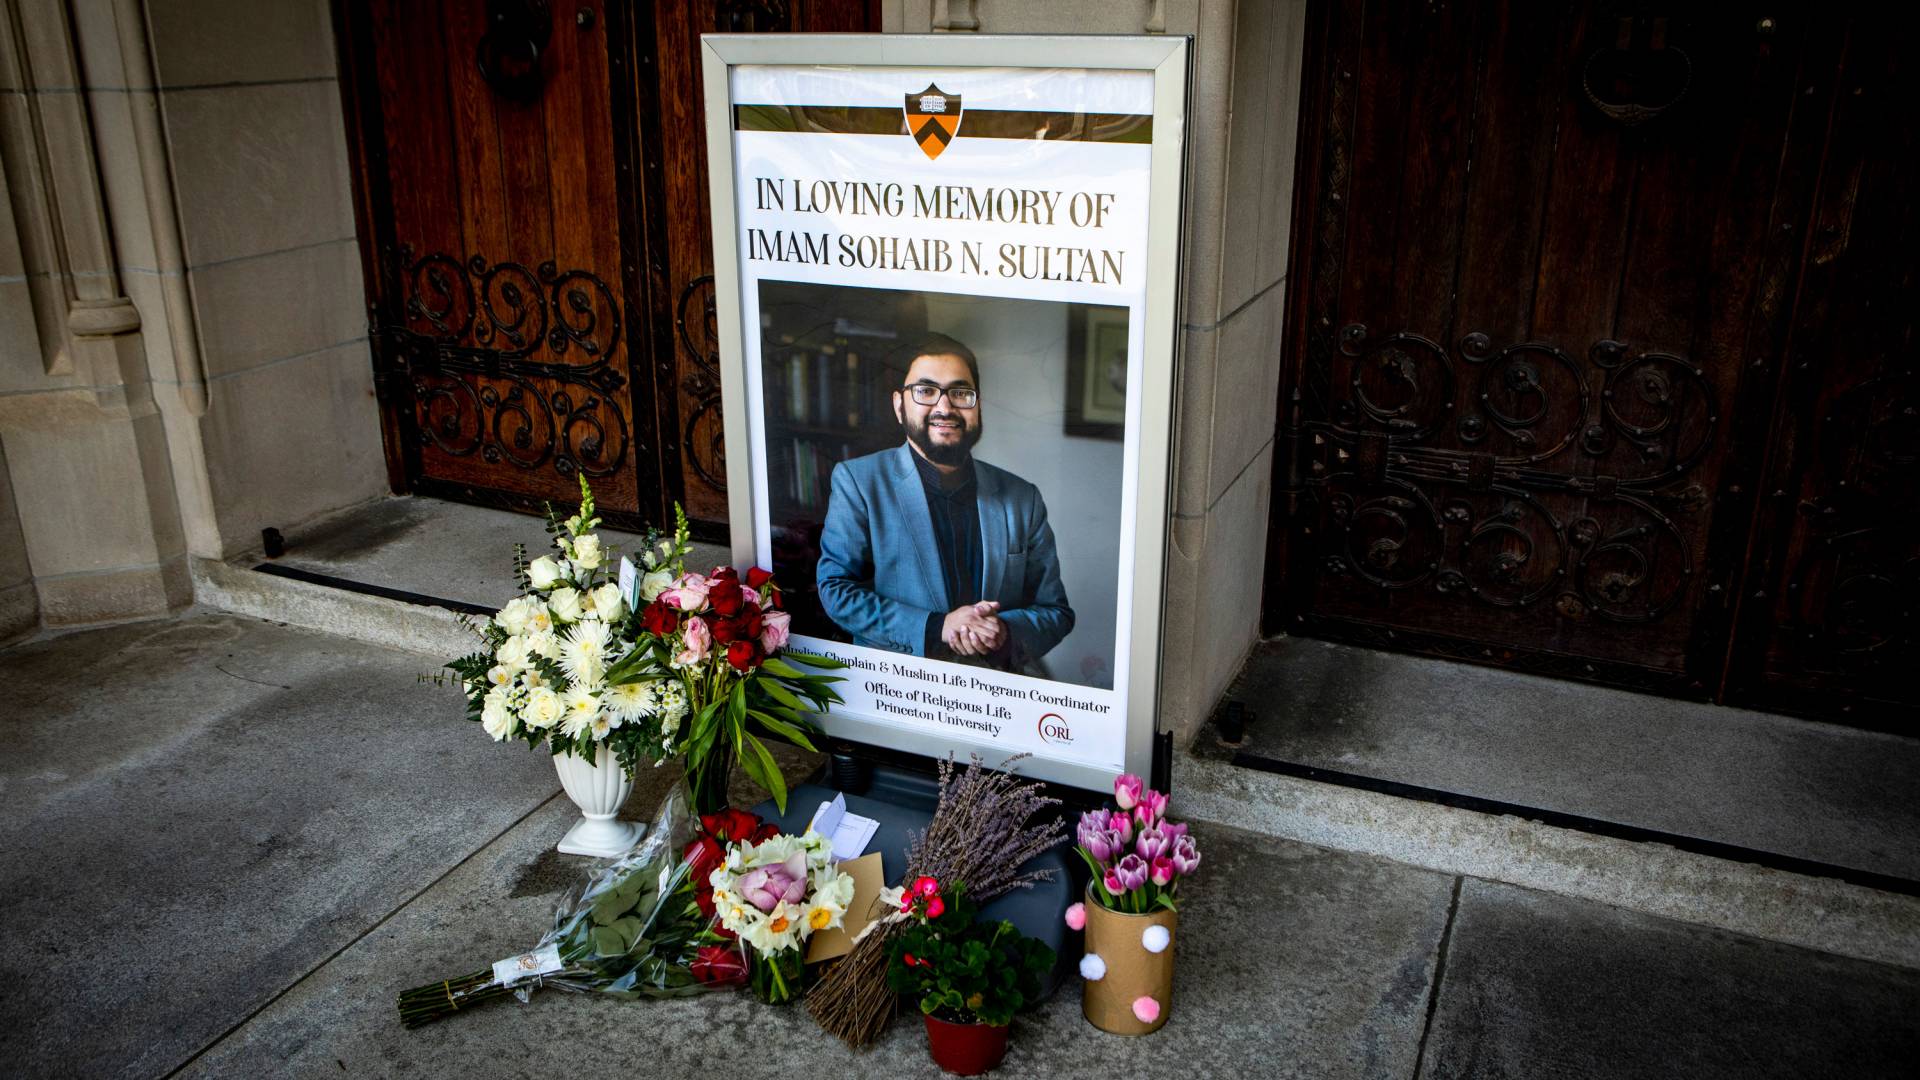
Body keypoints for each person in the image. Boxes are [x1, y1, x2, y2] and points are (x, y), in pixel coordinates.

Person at [816, 332, 1074, 673]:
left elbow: (1055, 612)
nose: (944, 407)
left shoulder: (1022, 497)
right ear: (898, 405)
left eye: (960, 392)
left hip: (997, 693)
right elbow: (837, 591)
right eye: (925, 391)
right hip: (896, 690)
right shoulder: (859, 482)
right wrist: (939, 627)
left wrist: (1005, 632)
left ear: (978, 405)